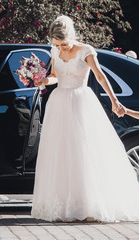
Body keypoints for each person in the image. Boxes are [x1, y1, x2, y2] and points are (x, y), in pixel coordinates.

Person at [31, 15, 139, 222]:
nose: (60, 48)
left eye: (63, 44)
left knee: (84, 152)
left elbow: (100, 76)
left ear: (71, 37)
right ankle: (65, 206)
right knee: (61, 153)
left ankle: (89, 206)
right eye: (56, 44)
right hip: (59, 103)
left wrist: (115, 101)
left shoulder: (86, 51)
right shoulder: (55, 51)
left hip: (80, 102)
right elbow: (55, 75)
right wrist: (44, 80)